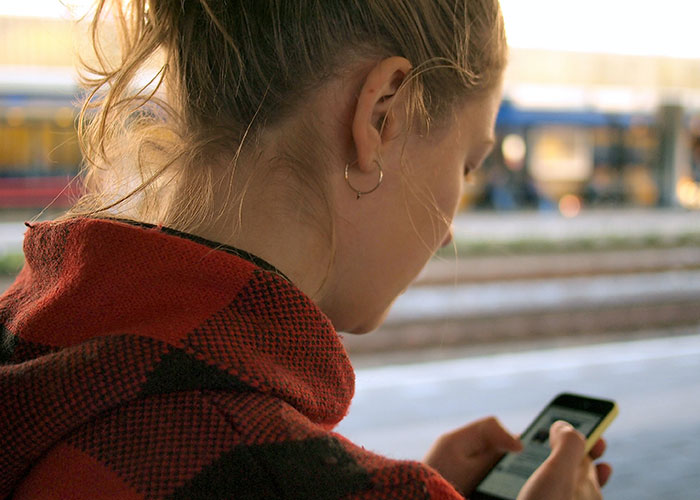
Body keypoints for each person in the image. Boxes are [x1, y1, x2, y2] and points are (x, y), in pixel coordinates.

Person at [0, 0, 611, 498]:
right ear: (381, 114)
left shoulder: (33, 348)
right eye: (468, 164)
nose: (449, 227)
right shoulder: (268, 466)